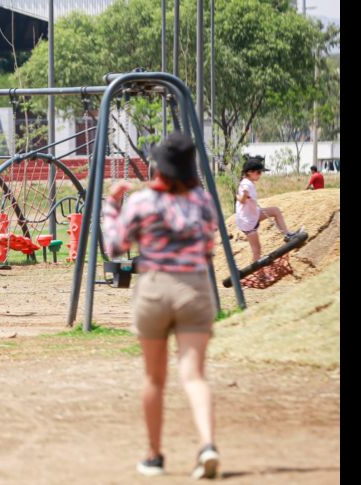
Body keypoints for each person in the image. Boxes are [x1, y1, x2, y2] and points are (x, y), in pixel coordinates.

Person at [101, 132, 220, 479]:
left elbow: (114, 247)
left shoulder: (141, 202)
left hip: (154, 288)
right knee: (194, 375)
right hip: (195, 288)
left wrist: (111, 205)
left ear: (159, 168)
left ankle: (154, 455)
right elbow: (209, 249)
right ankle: (208, 445)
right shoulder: (204, 202)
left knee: (155, 378)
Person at [235, 158, 301, 262]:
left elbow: (242, 198)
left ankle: (287, 235)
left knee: (275, 211)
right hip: (248, 221)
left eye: (261, 172)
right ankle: (258, 275)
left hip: (251, 215)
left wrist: (241, 196)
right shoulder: (246, 184)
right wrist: (241, 196)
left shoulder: (246, 182)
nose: (260, 174)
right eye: (258, 172)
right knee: (257, 250)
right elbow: (243, 200)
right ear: (249, 172)